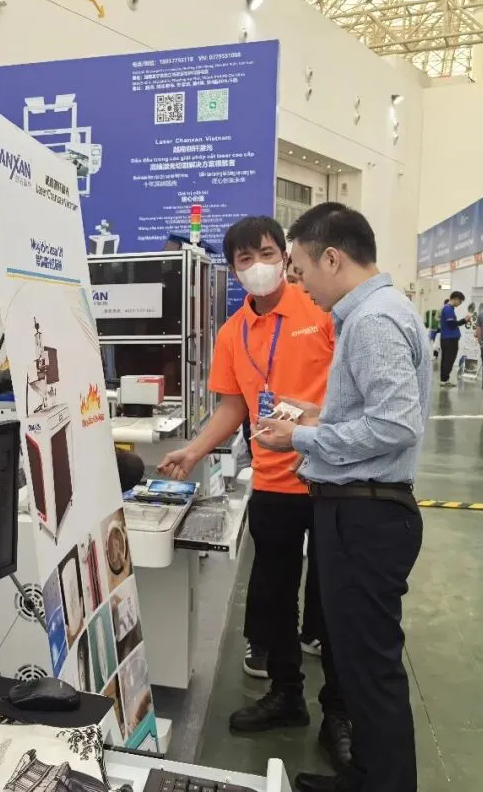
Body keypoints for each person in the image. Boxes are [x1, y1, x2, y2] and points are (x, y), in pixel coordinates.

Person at [157, 216, 352, 771]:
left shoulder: (321, 311)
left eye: (266, 253)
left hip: (331, 476)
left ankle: (340, 712)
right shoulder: (232, 333)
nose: (258, 266)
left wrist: (316, 422)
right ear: (233, 269)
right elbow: (233, 406)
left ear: (285, 256)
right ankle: (286, 695)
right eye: (245, 259)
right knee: (273, 596)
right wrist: (194, 451)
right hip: (272, 481)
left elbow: (352, 387)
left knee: (335, 600)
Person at [255, 203, 430, 792]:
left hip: (366, 515)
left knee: (371, 669)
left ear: (332, 258)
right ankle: (367, 777)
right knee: (356, 662)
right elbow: (374, 413)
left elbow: (396, 425)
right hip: (358, 509)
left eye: (300, 269)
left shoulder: (373, 320)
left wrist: (300, 437)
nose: (297, 283)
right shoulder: (375, 313)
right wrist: (319, 414)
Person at [438, 291, 467, 386]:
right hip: (450, 339)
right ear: (456, 299)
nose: (460, 304)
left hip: (447, 338)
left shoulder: (447, 308)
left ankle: (444, 380)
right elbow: (452, 324)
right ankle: (444, 380)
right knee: (449, 360)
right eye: (460, 301)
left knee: (446, 359)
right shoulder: (448, 309)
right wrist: (464, 320)